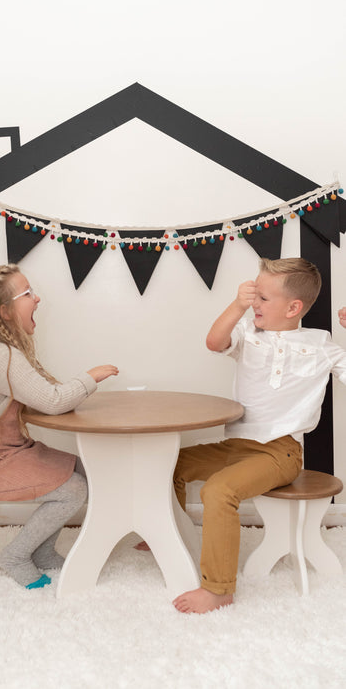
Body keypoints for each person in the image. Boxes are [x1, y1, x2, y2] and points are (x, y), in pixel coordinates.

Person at [172, 257, 346, 614]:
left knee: (219, 490)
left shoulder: (321, 345)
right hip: (236, 445)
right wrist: (237, 305)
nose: (254, 302)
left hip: (279, 453)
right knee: (168, 464)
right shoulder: (248, 334)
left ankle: (219, 588)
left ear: (293, 307)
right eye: (253, 294)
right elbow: (213, 341)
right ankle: (170, 534)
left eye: (262, 298)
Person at [0, 264, 118, 589]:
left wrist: (66, 392)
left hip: (5, 451)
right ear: (4, 312)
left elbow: (41, 397)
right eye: (28, 294)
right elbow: (52, 401)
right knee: (73, 489)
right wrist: (91, 377)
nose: (38, 299)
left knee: (83, 469)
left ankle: (42, 552)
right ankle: (16, 555)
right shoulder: (1, 356)